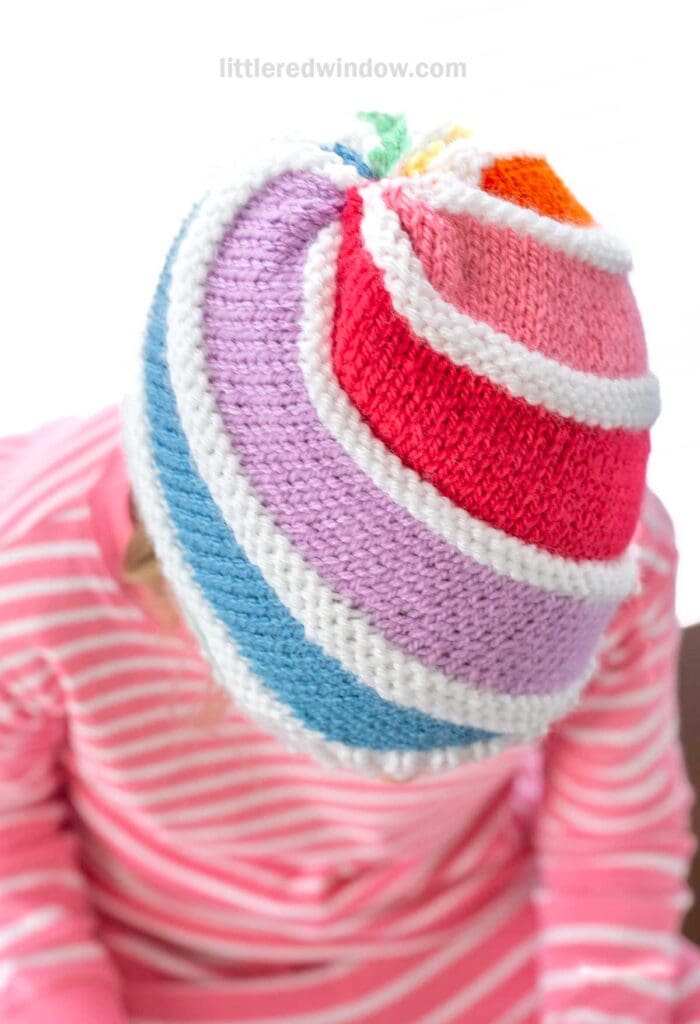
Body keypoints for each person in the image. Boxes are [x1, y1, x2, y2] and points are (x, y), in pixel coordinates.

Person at [2, 113, 699, 1023]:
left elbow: (614, 836)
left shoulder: (602, 570)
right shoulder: (30, 560)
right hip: (149, 971)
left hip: (471, 944)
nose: (390, 781)